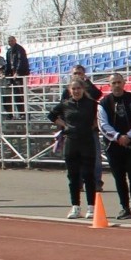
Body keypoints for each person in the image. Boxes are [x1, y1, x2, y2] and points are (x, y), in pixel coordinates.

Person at [49, 74, 101, 219]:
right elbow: (51, 115)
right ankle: (75, 207)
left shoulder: (91, 104)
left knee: (88, 176)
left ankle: (91, 207)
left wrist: (95, 125)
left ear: (83, 89)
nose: (76, 91)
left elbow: (101, 116)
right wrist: (64, 125)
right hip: (71, 142)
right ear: (70, 90)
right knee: (73, 177)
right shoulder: (66, 104)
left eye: (78, 88)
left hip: (87, 142)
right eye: (74, 89)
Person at [99, 71, 131, 220]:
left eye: (119, 82)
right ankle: (124, 207)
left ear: (124, 83)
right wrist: (117, 137)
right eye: (114, 83)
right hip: (113, 146)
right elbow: (103, 125)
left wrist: (130, 136)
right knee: (119, 178)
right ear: (109, 85)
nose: (117, 85)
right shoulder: (104, 103)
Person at [4, 36, 29, 116]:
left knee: (20, 94)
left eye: (12, 41)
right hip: (12, 74)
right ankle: (19, 113)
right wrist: (5, 74)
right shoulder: (8, 51)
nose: (10, 42)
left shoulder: (19, 49)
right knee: (15, 95)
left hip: (20, 74)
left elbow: (20, 61)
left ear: (15, 40)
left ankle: (23, 114)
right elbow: (8, 63)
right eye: (9, 41)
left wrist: (17, 72)